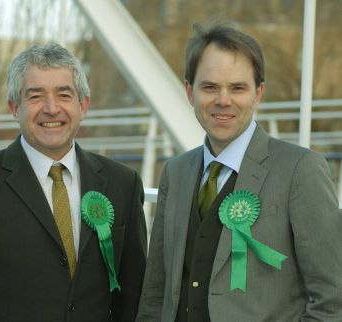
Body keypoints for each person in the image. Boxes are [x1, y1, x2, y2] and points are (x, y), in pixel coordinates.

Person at [0, 43, 147, 321]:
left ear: (83, 105)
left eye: (64, 94)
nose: (52, 109)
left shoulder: (123, 184)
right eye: (36, 96)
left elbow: (133, 301)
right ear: (15, 107)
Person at [136, 23, 342, 322]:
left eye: (237, 88)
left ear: (258, 94)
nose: (223, 100)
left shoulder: (301, 170)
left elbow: (332, 298)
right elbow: (156, 292)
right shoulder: (176, 172)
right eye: (209, 87)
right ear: (189, 92)